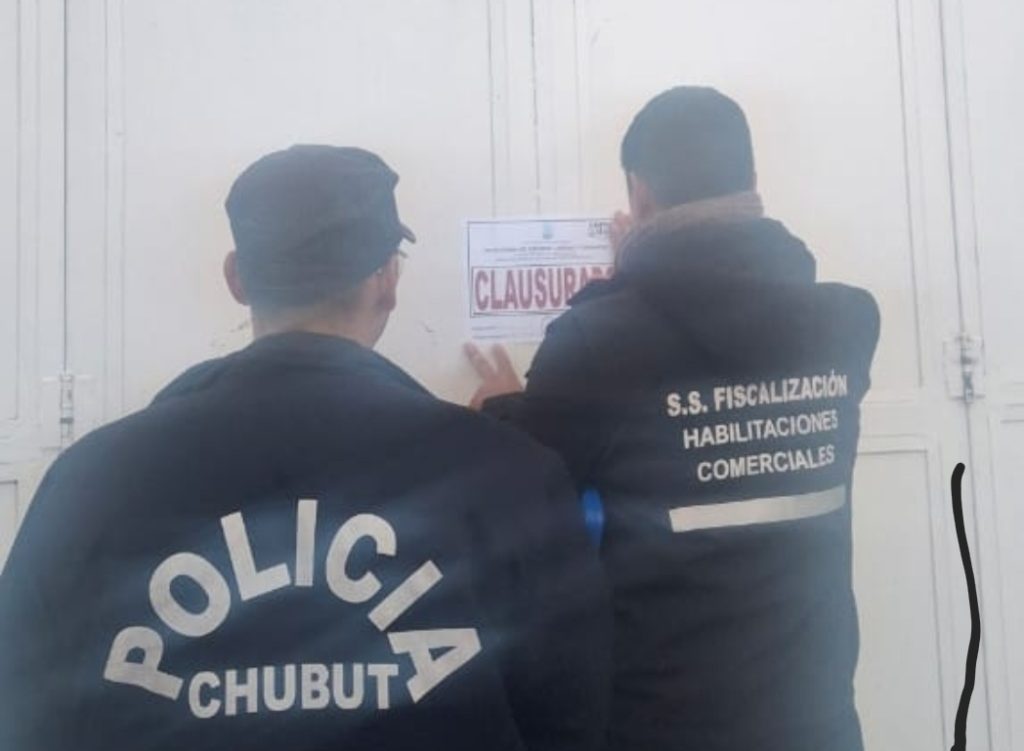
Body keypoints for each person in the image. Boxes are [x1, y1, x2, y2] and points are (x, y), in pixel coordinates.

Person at [0, 145, 610, 751]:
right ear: (388, 281)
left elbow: (23, 708)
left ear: (237, 279)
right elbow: (572, 717)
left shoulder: (91, 480)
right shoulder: (507, 475)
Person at [467, 87, 881, 751]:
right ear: (753, 179)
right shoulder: (849, 324)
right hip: (819, 726)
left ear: (639, 196)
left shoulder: (597, 343)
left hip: (662, 726)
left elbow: (521, 480)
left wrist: (496, 408)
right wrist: (640, 274)